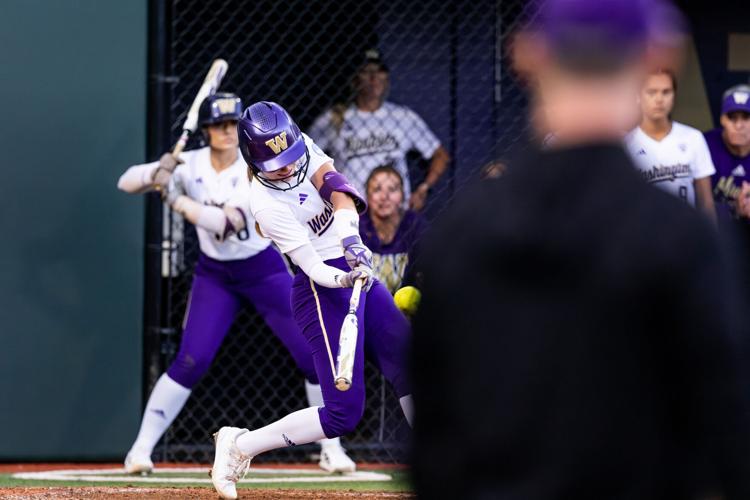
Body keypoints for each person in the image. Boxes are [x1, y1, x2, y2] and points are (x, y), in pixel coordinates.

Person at [411, 0, 750, 498]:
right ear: (658, 54)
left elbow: (435, 451)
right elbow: (727, 437)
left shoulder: (462, 231)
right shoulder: (683, 239)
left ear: (526, 55)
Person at [117, 93, 355, 475]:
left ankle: (332, 450)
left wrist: (176, 201)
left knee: (310, 354)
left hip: (263, 269)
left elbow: (226, 224)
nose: (226, 131)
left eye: (232, 125)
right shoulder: (189, 163)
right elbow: (125, 182)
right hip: (215, 274)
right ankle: (140, 450)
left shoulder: (255, 171)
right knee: (191, 359)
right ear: (207, 130)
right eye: (218, 125)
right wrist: (156, 172)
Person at [209, 101, 413, 499]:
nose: (287, 166)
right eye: (276, 163)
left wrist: (352, 241)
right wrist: (344, 274)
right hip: (321, 291)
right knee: (343, 413)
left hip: (355, 271)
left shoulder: (298, 144)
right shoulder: (266, 205)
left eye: (289, 156)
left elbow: (337, 190)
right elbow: (312, 266)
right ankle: (240, 445)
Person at [308, 49, 450, 211]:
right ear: (354, 79)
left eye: (379, 71)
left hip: (395, 214)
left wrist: (423, 189)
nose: (374, 78)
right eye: (366, 72)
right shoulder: (334, 119)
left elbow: (441, 156)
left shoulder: (402, 116)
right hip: (353, 212)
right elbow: (304, 160)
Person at [624, 69, 717, 223]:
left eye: (666, 92)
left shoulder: (693, 138)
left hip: (687, 234)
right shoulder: (627, 145)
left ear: (674, 96)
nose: (659, 99)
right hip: (643, 238)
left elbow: (706, 203)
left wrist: (710, 242)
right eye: (651, 92)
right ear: (637, 96)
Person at [359, 165, 428, 293]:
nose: (384, 197)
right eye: (377, 189)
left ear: (402, 195)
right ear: (367, 196)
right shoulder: (356, 227)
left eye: (392, 189)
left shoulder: (415, 225)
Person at [705, 84, 750, 224]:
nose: (739, 126)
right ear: (722, 119)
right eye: (732, 117)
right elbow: (692, 204)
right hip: (715, 235)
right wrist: (732, 208)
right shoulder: (703, 145)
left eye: (746, 117)